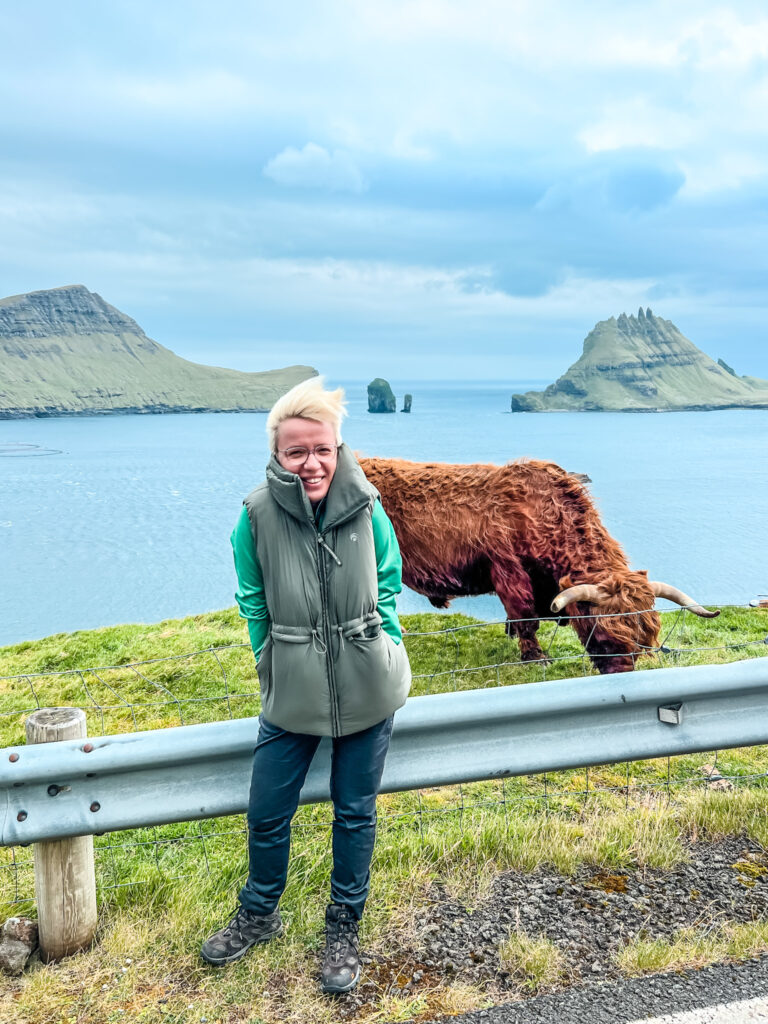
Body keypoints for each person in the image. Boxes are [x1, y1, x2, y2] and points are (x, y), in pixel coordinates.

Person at [201, 377, 411, 994]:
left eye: (322, 449)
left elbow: (391, 583)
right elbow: (252, 598)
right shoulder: (255, 514)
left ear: (338, 448)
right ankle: (259, 914)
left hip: (368, 682)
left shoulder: (369, 508)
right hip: (291, 685)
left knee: (355, 813)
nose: (311, 462)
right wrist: (270, 658)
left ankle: (343, 926)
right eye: (297, 452)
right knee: (268, 811)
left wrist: (384, 642)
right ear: (278, 454)